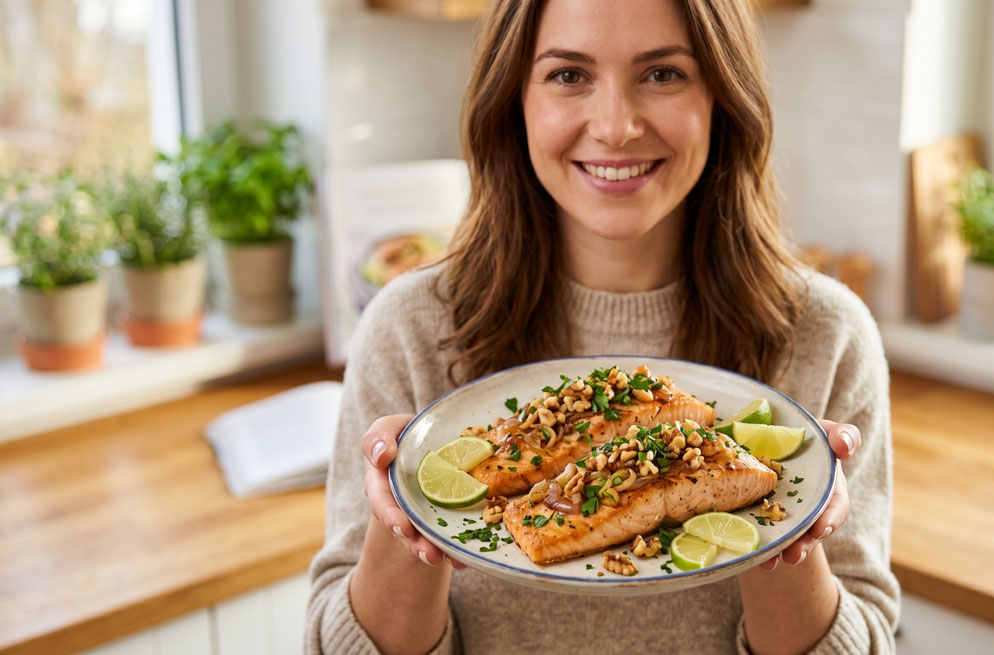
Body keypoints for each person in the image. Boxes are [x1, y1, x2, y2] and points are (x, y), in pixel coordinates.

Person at [305, 0, 899, 652]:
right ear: (514, 100)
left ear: (722, 96)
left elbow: (866, 636)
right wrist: (403, 516)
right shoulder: (409, 326)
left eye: (663, 74)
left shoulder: (825, 333)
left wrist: (783, 514)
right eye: (568, 75)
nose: (615, 126)